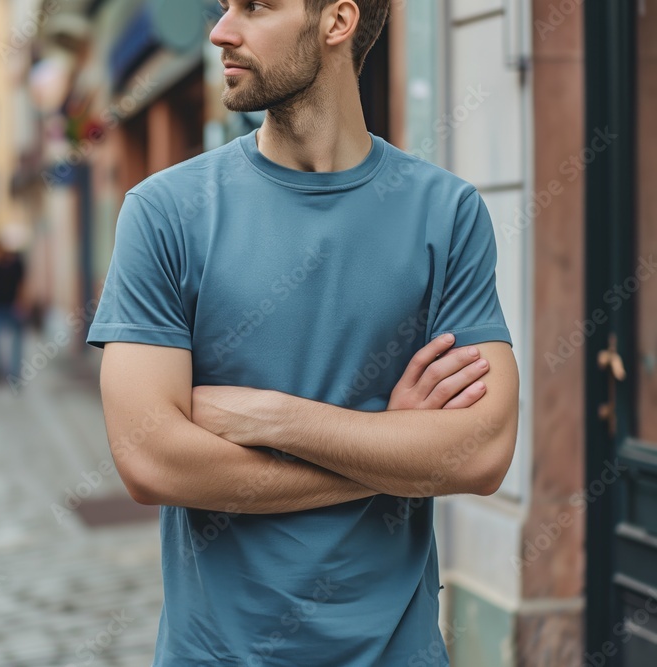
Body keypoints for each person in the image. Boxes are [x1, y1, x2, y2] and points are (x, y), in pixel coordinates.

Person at [85, 1, 520, 665]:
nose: (222, 31)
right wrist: (393, 448)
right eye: (224, 7)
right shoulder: (165, 213)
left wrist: (273, 417)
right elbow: (150, 459)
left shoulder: (447, 213)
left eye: (256, 7)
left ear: (336, 22)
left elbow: (483, 452)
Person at [0, 238, 27, 386]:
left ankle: (14, 375)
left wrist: (20, 304)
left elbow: (22, 285)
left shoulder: (17, 264)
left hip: (13, 307)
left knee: (16, 343)